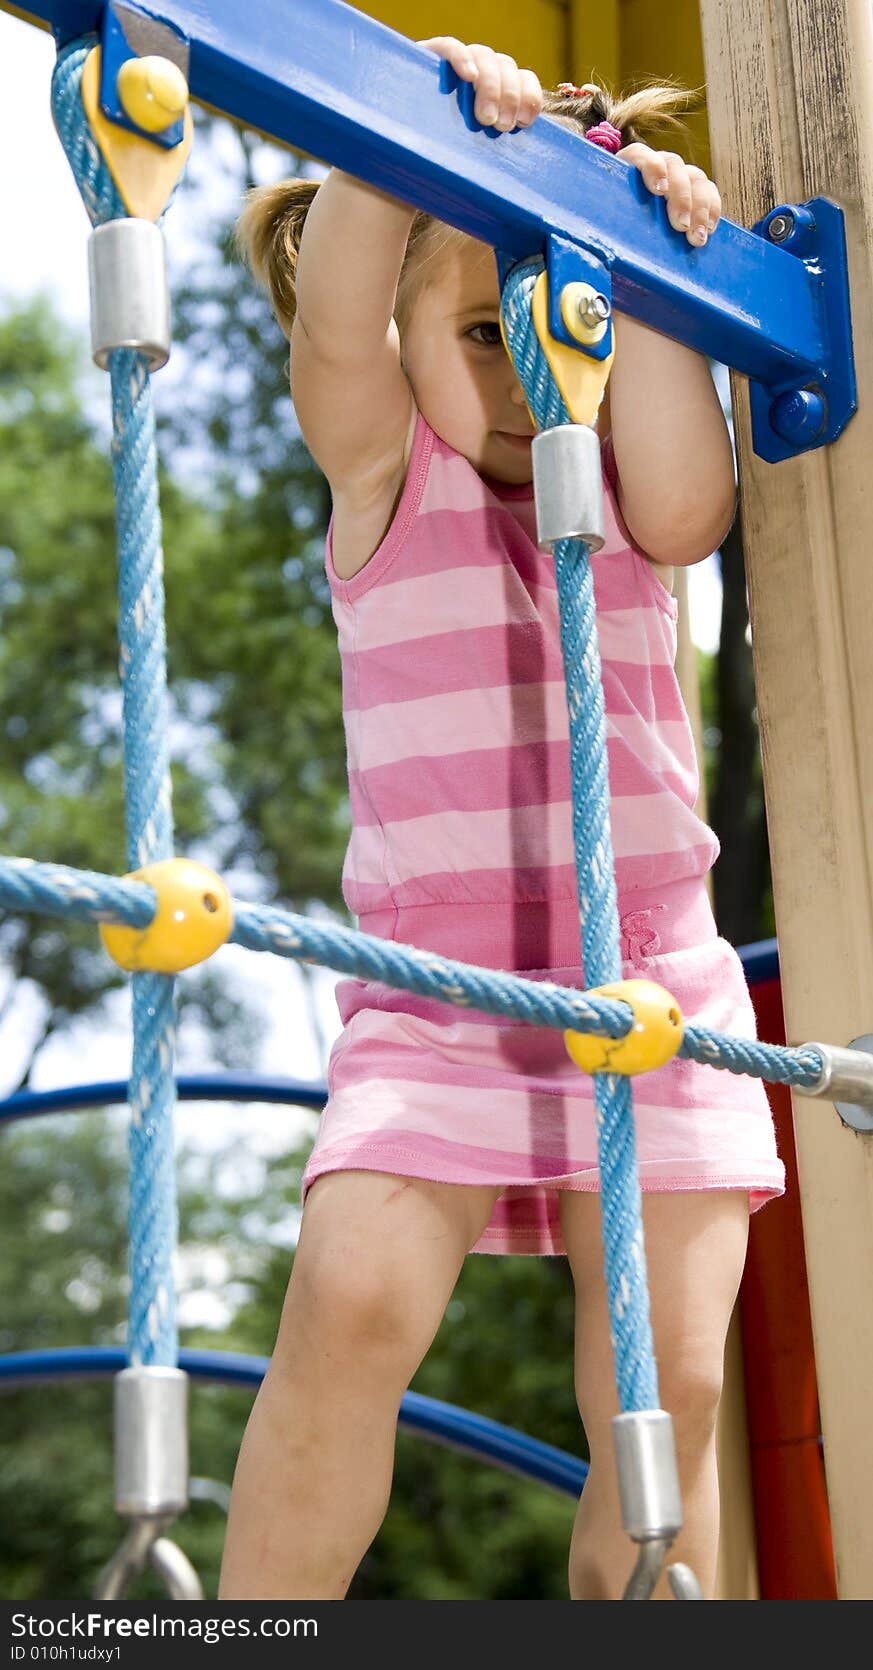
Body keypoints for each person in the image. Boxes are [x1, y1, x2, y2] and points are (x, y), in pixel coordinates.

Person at [220, 36, 783, 1602]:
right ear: (397, 346)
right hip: (438, 993)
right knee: (351, 1297)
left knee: (664, 1384)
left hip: (650, 983)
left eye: (556, 329)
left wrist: (643, 262)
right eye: (484, 330)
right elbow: (336, 322)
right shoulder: (386, 473)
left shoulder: (612, 508)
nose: (536, 373)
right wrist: (391, 142)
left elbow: (691, 504)